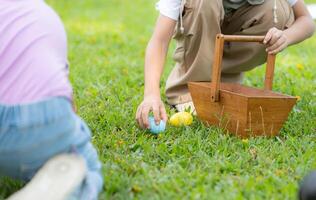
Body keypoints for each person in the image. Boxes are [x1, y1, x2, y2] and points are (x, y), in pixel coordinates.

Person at [136, 0, 315, 129]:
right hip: (200, 30)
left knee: (275, 9)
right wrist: (151, 94)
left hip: (236, 40)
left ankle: (226, 82)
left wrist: (286, 36)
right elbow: (159, 40)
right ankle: (189, 90)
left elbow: (306, 21)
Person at [0, 0, 103, 199]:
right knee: (84, 163)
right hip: (42, 119)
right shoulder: (41, 14)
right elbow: (70, 104)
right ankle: (71, 186)